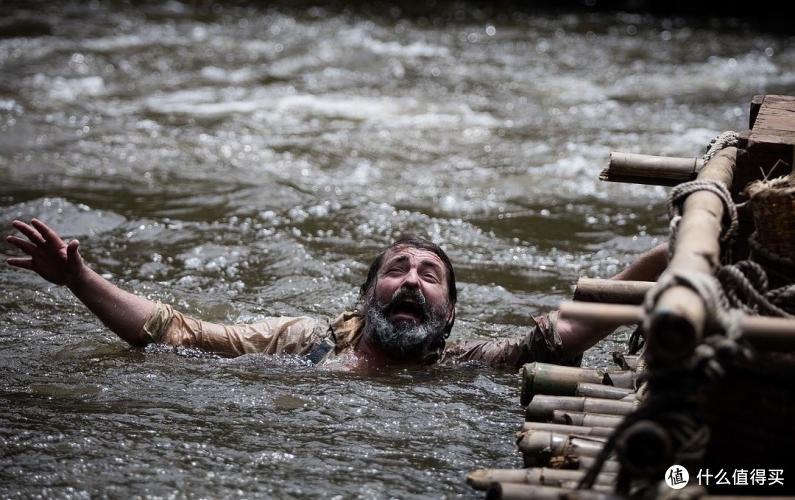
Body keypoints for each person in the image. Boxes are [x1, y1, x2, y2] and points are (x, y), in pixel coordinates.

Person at [6, 218, 668, 370]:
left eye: (429, 276)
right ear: (367, 295)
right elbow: (180, 331)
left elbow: (560, 336)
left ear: (449, 313)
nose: (411, 279)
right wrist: (80, 280)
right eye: (398, 270)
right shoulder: (305, 342)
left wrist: (665, 255)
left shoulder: (462, 367)